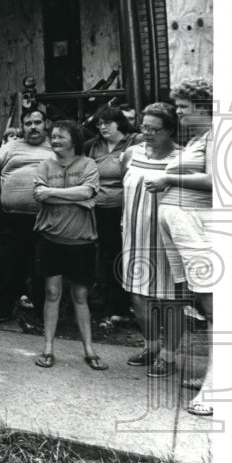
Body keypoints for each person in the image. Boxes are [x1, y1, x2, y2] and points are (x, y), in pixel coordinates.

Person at [146, 78, 215, 416]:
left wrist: (169, 180)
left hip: (199, 230)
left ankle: (217, 386)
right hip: (181, 229)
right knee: (202, 302)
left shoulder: (219, 136)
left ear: (203, 106)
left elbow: (217, 181)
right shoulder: (198, 140)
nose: (180, 114)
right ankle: (211, 375)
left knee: (215, 307)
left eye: (185, 108)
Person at [32, 121, 107, 371]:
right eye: (52, 137)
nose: (54, 140)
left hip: (82, 240)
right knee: (52, 293)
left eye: (60, 137)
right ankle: (48, 348)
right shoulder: (44, 165)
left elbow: (88, 192)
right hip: (50, 239)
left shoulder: (88, 164)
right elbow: (39, 194)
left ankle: (89, 349)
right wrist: (79, 196)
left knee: (80, 295)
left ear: (74, 139)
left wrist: (54, 194)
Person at [119, 103, 183, 377]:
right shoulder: (131, 154)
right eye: (143, 127)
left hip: (167, 238)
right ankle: (151, 347)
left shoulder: (184, 158)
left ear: (169, 130)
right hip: (134, 234)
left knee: (170, 299)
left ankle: (168, 356)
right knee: (137, 296)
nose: (146, 133)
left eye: (153, 129)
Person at [0, 109, 53, 326]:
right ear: (22, 127)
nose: (33, 127)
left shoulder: (56, 146)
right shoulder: (11, 147)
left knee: (43, 267)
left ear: (45, 124)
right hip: (12, 218)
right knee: (8, 266)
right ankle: (1, 307)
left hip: (47, 218)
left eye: (38, 122)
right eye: (28, 123)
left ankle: (44, 311)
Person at [83, 106, 139, 327]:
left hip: (124, 208)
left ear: (120, 123)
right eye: (99, 123)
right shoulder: (93, 146)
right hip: (97, 209)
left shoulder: (135, 142)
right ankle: (109, 306)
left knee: (118, 256)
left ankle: (121, 308)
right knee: (104, 257)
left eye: (107, 122)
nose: (102, 127)